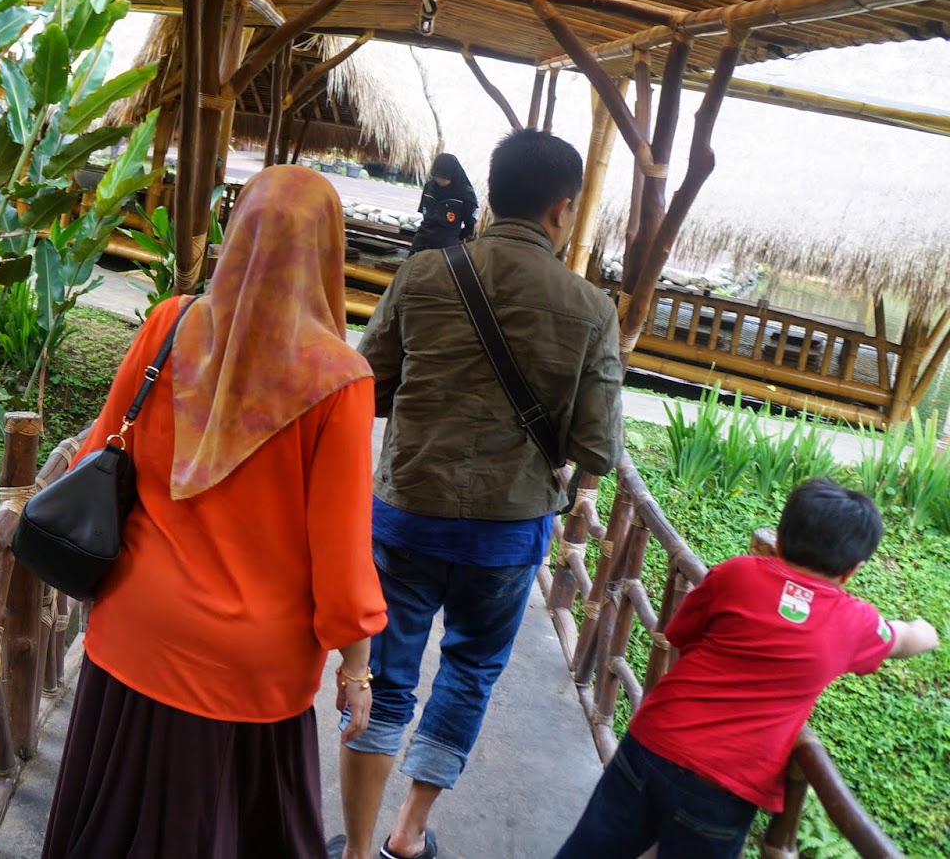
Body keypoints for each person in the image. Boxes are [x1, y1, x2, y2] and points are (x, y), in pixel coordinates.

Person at [41, 164, 388, 859]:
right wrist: (356, 669)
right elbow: (343, 553)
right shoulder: (341, 381)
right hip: (251, 667)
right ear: (328, 250)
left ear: (237, 232)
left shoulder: (171, 324)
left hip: (136, 628)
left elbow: (102, 449)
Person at [334, 129, 624, 859]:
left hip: (406, 516)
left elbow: (368, 387)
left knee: (385, 675)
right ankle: (409, 834)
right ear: (561, 209)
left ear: (491, 196)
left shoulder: (424, 274)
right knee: (468, 672)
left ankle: (358, 849)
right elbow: (598, 450)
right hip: (507, 531)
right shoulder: (591, 308)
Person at [553, 479, 940, 859]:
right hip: (723, 788)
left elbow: (681, 637)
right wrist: (928, 630)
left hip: (650, 743)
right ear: (853, 570)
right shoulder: (855, 622)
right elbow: (906, 639)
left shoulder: (736, 573)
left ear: (780, 541)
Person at [406, 153, 478, 254]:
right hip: (423, 238)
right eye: (437, 177)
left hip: (447, 242)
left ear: (453, 175)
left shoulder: (466, 194)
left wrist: (456, 241)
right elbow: (425, 213)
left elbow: (469, 226)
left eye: (444, 178)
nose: (440, 181)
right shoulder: (429, 187)